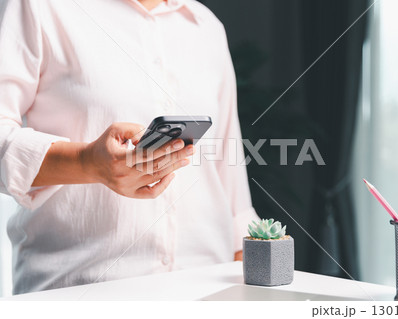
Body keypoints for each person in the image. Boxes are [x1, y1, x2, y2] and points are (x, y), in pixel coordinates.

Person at [0, 0, 259, 294]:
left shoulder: (207, 26)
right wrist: (87, 163)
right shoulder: (39, 7)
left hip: (208, 292)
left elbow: (232, 186)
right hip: (79, 296)